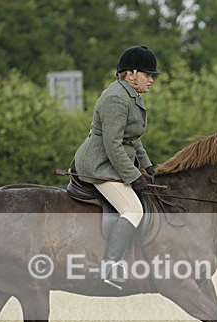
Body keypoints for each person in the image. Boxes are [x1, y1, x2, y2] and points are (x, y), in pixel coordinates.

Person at [73, 45, 160, 290]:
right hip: (99, 165)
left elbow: (132, 138)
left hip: (112, 162)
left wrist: (148, 166)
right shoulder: (115, 98)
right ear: (131, 74)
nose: (151, 80)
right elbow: (112, 145)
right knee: (133, 209)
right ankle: (108, 267)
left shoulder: (131, 95)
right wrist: (134, 177)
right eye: (148, 74)